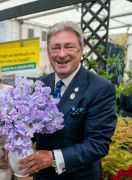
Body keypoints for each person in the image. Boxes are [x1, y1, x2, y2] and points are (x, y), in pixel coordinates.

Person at [18, 21, 117, 180]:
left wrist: (53, 158)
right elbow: (30, 128)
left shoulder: (100, 89)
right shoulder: (39, 85)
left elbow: (97, 144)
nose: (62, 54)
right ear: (49, 52)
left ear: (81, 50)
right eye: (55, 48)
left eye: (69, 46)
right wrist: (14, 140)